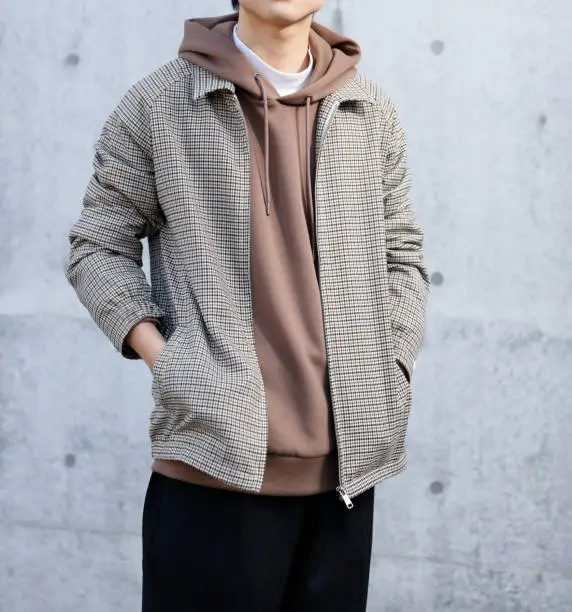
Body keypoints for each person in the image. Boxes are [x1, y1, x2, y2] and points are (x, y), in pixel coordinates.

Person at [65, 0, 429, 610]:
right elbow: (96, 248)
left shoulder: (369, 109)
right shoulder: (158, 104)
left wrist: (388, 363)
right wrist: (170, 360)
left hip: (347, 473)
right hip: (214, 467)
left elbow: (403, 254)